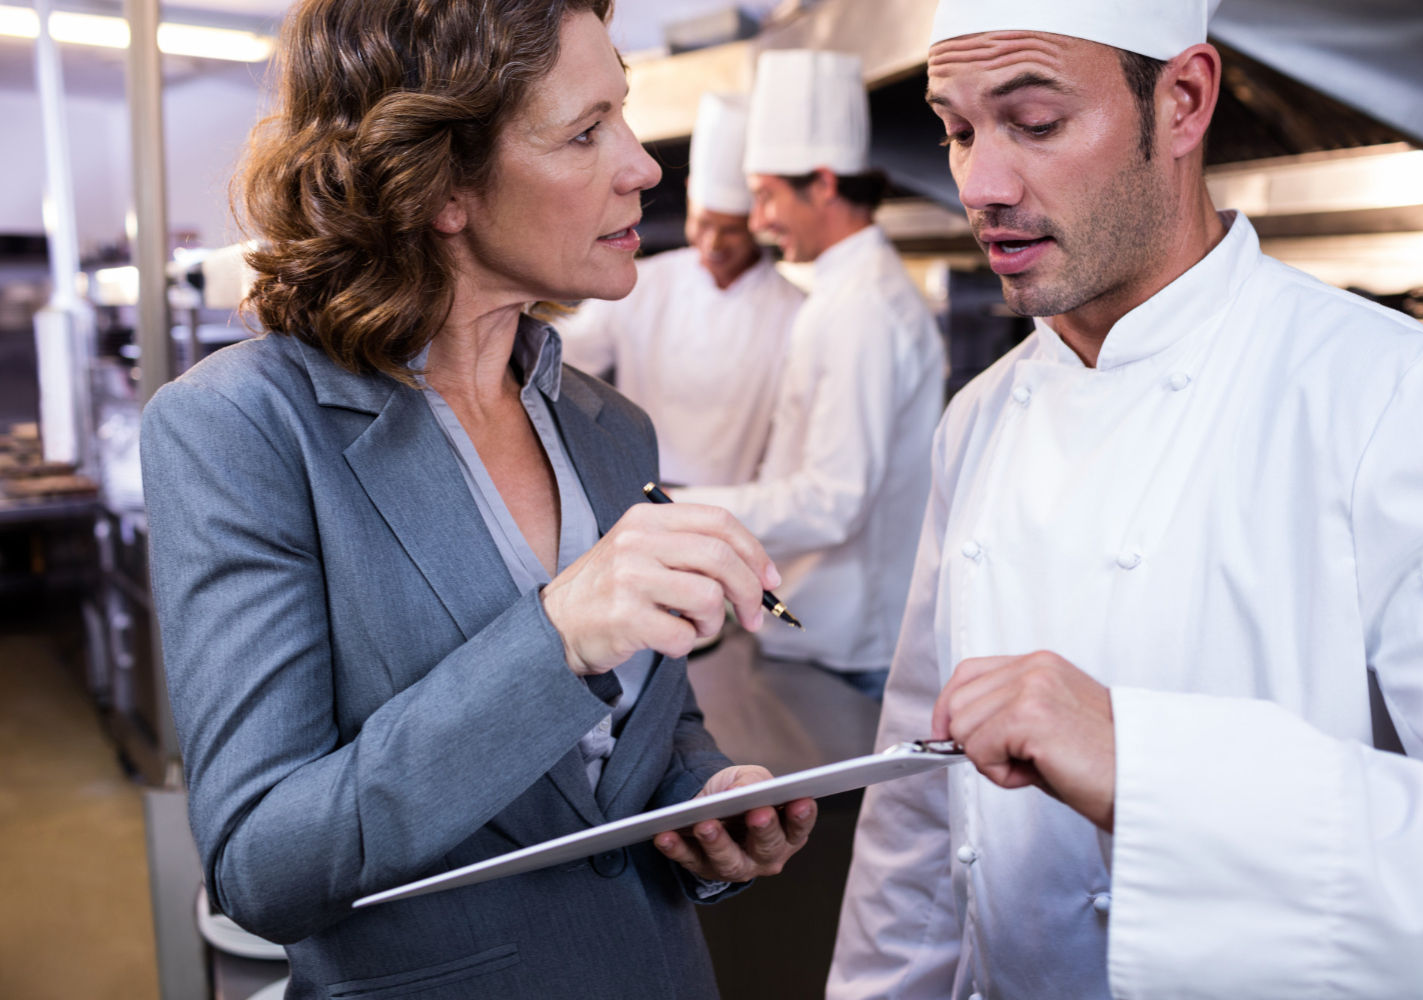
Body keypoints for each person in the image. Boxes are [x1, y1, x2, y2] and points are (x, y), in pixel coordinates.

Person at [139, 3, 817, 997]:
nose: (642, 166)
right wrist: (558, 637)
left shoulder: (610, 427)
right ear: (443, 186)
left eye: (623, 115)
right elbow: (263, 866)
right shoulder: (242, 428)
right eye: (585, 132)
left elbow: (643, 731)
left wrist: (703, 796)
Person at [829, 0, 1423, 997]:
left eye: (1036, 122)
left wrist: (1144, 766)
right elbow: (921, 822)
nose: (981, 185)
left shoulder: (1387, 397)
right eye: (958, 131)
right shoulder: (980, 416)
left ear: (1183, 101)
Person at [673, 50, 945, 702]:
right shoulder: (842, 293)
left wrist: (679, 510)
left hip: (848, 646)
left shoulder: (863, 310)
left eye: (766, 195)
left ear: (822, 184)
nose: (758, 221)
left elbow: (831, 501)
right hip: (821, 630)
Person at [556, 91, 804, 487]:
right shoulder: (641, 283)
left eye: (731, 230)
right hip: (639, 491)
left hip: (735, 504)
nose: (713, 243)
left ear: (757, 221)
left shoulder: (794, 310)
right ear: (689, 195)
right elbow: (565, 354)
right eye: (703, 224)